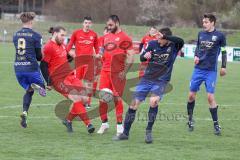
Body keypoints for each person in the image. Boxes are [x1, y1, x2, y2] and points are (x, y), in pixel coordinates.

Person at [114, 27, 184, 143]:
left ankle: (148, 132)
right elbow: (141, 57)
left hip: (161, 80)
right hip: (147, 78)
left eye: (160, 37)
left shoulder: (173, 46)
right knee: (133, 104)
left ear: (166, 38)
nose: (157, 39)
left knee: (153, 101)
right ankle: (125, 133)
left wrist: (165, 36)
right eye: (157, 36)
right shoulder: (152, 44)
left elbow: (180, 41)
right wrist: (145, 56)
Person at [41, 26, 95, 134]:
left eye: (64, 35)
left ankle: (68, 120)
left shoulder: (62, 45)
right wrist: (49, 82)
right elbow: (43, 65)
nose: (63, 38)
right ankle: (89, 124)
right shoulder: (48, 47)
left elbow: (66, 57)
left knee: (84, 98)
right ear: (55, 34)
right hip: (59, 80)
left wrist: (72, 57)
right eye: (62, 35)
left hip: (70, 76)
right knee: (76, 98)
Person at [186, 13, 227, 135]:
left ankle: (216, 124)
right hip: (198, 69)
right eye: (203, 22)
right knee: (191, 96)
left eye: (206, 22)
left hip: (210, 71)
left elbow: (224, 51)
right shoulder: (201, 34)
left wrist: (224, 66)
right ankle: (190, 120)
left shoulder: (219, 36)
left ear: (212, 22)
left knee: (210, 97)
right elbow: (198, 47)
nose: (204, 24)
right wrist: (196, 56)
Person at [97, 15, 135, 136]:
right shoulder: (106, 36)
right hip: (105, 72)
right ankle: (104, 123)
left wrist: (124, 72)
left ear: (117, 23)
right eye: (107, 25)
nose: (109, 27)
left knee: (117, 99)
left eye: (111, 25)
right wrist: (99, 55)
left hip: (118, 73)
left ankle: (119, 125)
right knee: (102, 99)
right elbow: (102, 50)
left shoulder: (125, 38)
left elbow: (131, 56)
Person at [13, 12, 46, 128]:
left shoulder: (15, 35)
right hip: (31, 68)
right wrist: (43, 55)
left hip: (18, 68)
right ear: (31, 21)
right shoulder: (36, 36)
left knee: (29, 91)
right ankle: (40, 87)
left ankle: (25, 113)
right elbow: (38, 57)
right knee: (43, 88)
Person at [66, 16, 99, 109]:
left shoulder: (94, 34)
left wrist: (98, 54)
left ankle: (87, 102)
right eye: (86, 23)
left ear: (91, 24)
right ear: (83, 23)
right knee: (77, 82)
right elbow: (70, 44)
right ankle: (79, 100)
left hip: (90, 62)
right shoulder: (76, 33)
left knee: (88, 83)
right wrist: (65, 53)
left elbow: (97, 46)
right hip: (78, 62)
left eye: (89, 23)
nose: (87, 24)